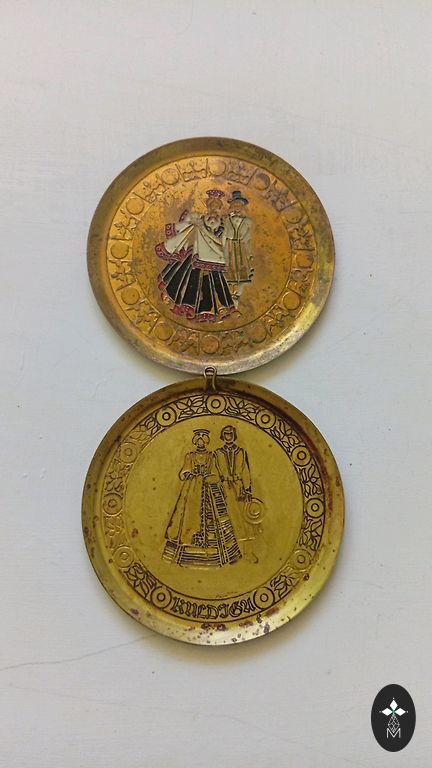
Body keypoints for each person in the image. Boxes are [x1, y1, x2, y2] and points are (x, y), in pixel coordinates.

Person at [163, 429, 242, 567]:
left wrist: (210, 478)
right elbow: (184, 471)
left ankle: (226, 554)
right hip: (192, 490)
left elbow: (216, 473)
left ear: (206, 440)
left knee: (218, 519)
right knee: (186, 518)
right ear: (195, 440)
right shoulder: (190, 456)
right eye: (198, 437)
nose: (200, 440)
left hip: (209, 490)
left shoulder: (211, 456)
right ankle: (184, 555)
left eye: (203, 437)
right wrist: (190, 474)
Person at [155, 190, 236, 322]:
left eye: (216, 205)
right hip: (196, 255)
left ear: (219, 207)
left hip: (214, 257)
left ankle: (210, 310)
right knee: (190, 278)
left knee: (213, 282)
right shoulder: (198, 218)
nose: (214, 208)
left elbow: (227, 238)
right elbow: (185, 227)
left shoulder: (222, 222)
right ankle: (187, 306)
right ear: (208, 206)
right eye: (212, 205)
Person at [214, 424, 262, 563]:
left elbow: (246, 471)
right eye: (226, 434)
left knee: (246, 522)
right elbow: (214, 471)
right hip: (224, 489)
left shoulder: (241, 452)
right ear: (222, 436)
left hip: (239, 489)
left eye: (231, 434)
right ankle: (232, 554)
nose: (228, 436)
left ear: (234, 436)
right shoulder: (217, 453)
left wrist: (247, 489)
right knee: (227, 522)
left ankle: (248, 552)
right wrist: (218, 488)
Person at [223, 190, 254, 300]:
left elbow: (249, 237)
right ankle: (229, 294)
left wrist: (250, 252)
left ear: (242, 207)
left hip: (242, 248)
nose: (237, 207)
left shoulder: (247, 221)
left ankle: (238, 294)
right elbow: (224, 235)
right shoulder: (226, 220)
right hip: (229, 247)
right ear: (231, 206)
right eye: (235, 205)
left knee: (243, 272)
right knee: (228, 270)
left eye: (239, 205)